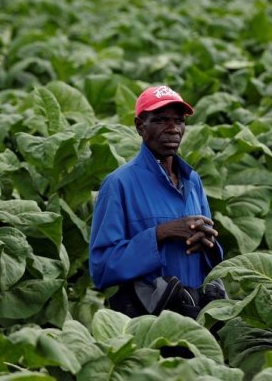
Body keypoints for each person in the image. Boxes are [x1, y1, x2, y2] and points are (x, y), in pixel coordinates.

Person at [89, 85, 225, 318]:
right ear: (140, 126)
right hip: (148, 319)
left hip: (196, 315)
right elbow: (102, 267)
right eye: (161, 120)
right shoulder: (119, 184)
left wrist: (208, 242)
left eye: (178, 120)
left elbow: (208, 255)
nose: (173, 128)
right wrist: (161, 233)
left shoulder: (193, 180)